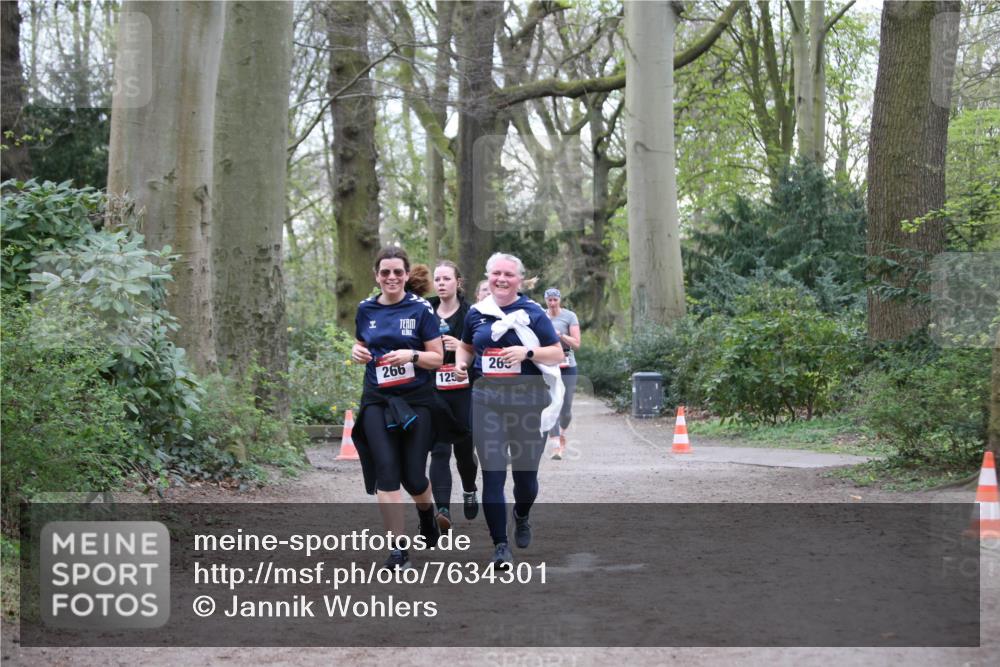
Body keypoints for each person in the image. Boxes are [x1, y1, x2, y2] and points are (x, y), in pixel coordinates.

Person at [350, 247, 461, 570]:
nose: (391, 278)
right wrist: (358, 351)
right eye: (385, 272)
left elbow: (437, 358)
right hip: (377, 399)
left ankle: (427, 516)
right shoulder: (365, 309)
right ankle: (398, 550)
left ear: (406, 274)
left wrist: (409, 356)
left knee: (414, 477)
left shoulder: (421, 309)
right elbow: (362, 343)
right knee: (386, 472)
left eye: (397, 272)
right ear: (376, 276)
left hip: (416, 401)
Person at [455, 253, 564, 568]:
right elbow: (466, 345)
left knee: (525, 479)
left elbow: (557, 352)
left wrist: (526, 351)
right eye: (496, 274)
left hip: (528, 401)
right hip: (486, 400)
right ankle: (500, 545)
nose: (501, 280)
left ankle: (522, 513)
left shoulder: (533, 313)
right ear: (488, 276)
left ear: (520, 279)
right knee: (492, 474)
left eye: (509, 275)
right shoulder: (476, 313)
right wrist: (462, 365)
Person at [426, 261, 479, 530]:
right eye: (437, 279)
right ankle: (443, 509)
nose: (441, 283)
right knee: (439, 449)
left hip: (464, 390)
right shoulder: (425, 310)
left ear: (458, 282)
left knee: (464, 451)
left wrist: (461, 346)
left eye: (446, 278)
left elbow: (484, 348)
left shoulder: (471, 312)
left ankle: (469, 489)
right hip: (434, 390)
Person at [544, 288, 581, 460]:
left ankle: (562, 433)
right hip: (550, 366)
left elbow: (577, 343)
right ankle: (556, 445)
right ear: (546, 301)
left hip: (568, 365)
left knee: (565, 407)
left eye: (555, 300)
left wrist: (561, 335)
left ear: (559, 300)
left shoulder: (569, 316)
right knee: (552, 404)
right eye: (549, 300)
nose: (552, 303)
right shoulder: (541, 317)